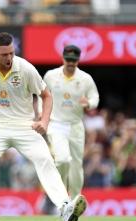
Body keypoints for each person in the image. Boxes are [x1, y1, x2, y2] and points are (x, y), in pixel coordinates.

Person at [0, 32, 86, 221]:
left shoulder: (25, 68)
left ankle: (65, 207)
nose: (9, 58)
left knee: (45, 160)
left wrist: (44, 121)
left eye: (12, 53)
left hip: (25, 125)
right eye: (4, 54)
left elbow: (46, 96)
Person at [41, 44, 99, 199]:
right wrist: (43, 117)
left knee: (76, 165)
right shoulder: (51, 75)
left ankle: (74, 200)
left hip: (76, 125)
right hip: (56, 124)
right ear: (63, 58)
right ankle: (60, 196)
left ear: (78, 60)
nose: (70, 63)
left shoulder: (85, 79)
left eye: (73, 60)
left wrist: (89, 103)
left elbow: (95, 97)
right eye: (68, 60)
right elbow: (43, 96)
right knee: (62, 160)